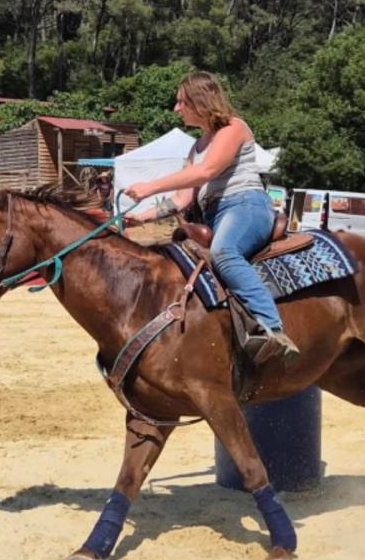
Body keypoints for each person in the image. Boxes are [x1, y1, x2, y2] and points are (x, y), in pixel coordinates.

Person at [123, 71, 299, 360]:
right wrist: (144, 217)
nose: (176, 109)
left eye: (182, 102)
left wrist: (149, 186)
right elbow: (183, 198)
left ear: (200, 102)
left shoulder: (234, 128)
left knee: (224, 252)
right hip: (216, 213)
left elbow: (207, 172)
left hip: (246, 205)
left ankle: (273, 331)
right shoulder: (197, 146)